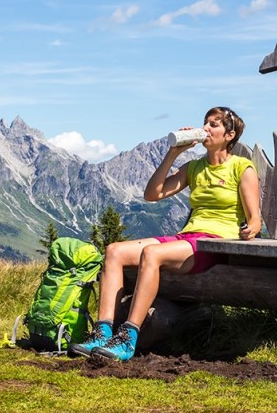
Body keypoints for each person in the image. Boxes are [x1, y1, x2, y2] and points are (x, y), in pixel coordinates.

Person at [70, 106, 261, 361]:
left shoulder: (242, 167)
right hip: (188, 237)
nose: (206, 128)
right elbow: (153, 194)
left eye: (214, 124)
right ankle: (103, 332)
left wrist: (250, 231)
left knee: (151, 254)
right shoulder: (194, 167)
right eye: (205, 122)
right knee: (114, 251)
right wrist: (173, 154)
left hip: (215, 243)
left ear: (230, 135)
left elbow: (255, 219)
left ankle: (128, 338)